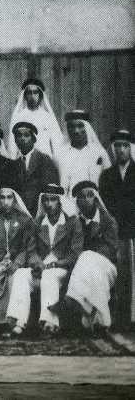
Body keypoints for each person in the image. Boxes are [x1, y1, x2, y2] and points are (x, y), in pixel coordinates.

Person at [5, 184, 83, 337]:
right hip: (41, 267)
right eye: (46, 200)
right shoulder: (37, 222)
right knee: (20, 274)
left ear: (60, 202)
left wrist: (55, 264)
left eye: (53, 200)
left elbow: (75, 254)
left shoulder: (72, 223)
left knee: (50, 275)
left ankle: (49, 324)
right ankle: (18, 323)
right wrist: (37, 263)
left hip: (63, 270)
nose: (48, 204)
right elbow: (31, 250)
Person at [0, 187, 37, 335]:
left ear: (14, 199)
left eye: (9, 197)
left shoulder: (25, 220)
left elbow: (26, 247)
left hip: (16, 263)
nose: (5, 201)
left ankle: (11, 323)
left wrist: (17, 263)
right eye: (2, 197)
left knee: (15, 278)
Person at [64, 180, 119, 334]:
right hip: (86, 271)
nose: (86, 199)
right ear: (77, 201)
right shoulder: (74, 223)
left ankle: (75, 296)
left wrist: (89, 255)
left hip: (108, 267)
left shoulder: (107, 221)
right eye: (82, 196)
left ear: (96, 199)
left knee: (87, 256)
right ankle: (102, 321)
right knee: (93, 272)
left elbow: (111, 249)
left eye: (90, 195)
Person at [100, 129, 135, 327]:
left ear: (131, 149)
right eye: (117, 146)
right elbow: (105, 207)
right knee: (118, 274)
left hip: (133, 231)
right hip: (115, 232)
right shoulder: (107, 176)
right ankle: (119, 319)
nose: (121, 150)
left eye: (125, 146)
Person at [8, 78, 64, 159]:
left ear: (40, 95)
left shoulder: (47, 117)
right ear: (25, 96)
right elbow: (12, 144)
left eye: (35, 92)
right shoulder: (19, 117)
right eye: (29, 93)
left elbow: (57, 142)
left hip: (44, 161)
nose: (32, 96)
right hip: (24, 160)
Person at [13, 121, 60, 215]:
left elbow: (50, 189)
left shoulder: (44, 159)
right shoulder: (14, 164)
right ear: (15, 141)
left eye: (26, 135)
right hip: (20, 214)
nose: (22, 138)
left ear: (34, 139)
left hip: (40, 212)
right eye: (19, 136)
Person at [56, 110, 110, 192]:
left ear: (87, 128)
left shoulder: (99, 153)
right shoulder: (59, 155)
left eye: (80, 126)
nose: (76, 131)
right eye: (71, 126)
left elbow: (108, 180)